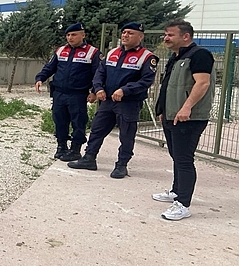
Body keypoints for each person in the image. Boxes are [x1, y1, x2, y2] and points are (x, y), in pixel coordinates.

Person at [68, 22, 159, 178]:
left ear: (140, 36)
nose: (125, 35)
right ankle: (89, 158)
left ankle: (121, 165)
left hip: (128, 103)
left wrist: (125, 90)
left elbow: (145, 81)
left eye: (130, 33)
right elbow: (100, 73)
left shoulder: (147, 57)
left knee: (126, 135)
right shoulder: (112, 53)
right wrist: (98, 88)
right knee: (97, 130)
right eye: (124, 32)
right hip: (108, 101)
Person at [152, 19, 214, 220]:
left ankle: (183, 204)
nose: (166, 38)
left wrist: (186, 107)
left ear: (185, 36)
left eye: (170, 34)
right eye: (166, 34)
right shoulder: (176, 57)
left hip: (189, 117)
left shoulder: (200, 55)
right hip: (172, 116)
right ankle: (176, 191)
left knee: (184, 159)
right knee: (176, 156)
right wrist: (162, 109)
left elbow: (202, 84)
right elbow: (168, 85)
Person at [35, 22, 100, 161]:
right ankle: (61, 146)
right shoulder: (60, 50)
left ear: (83, 35)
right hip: (59, 93)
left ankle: (75, 149)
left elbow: (98, 74)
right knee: (59, 120)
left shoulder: (92, 52)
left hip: (78, 94)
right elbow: (50, 67)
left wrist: (94, 91)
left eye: (74, 34)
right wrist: (40, 78)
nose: (70, 37)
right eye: (68, 35)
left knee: (78, 122)